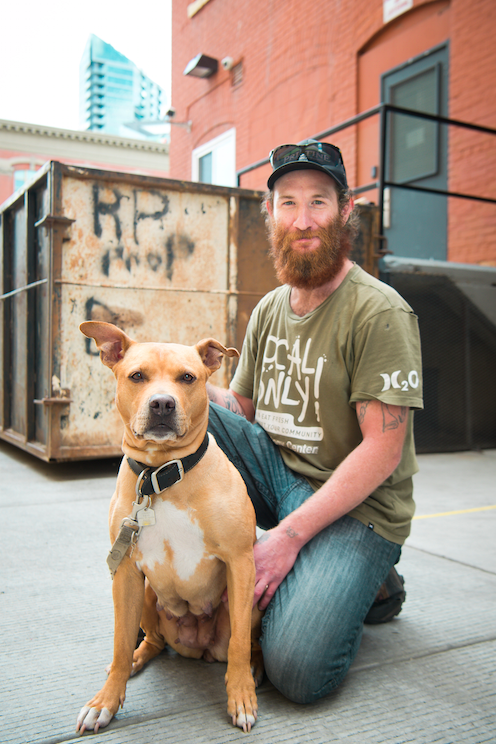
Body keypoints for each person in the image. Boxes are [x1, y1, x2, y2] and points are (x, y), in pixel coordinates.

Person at [207, 140, 423, 704]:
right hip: (283, 479)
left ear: (345, 211)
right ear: (270, 213)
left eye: (319, 202)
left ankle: (371, 578)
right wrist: (177, 380)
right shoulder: (270, 309)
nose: (303, 221)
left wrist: (286, 538)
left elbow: (383, 451)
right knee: (185, 410)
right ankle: (169, 575)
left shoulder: (379, 312)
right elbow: (241, 418)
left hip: (359, 508)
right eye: (288, 204)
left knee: (297, 671)